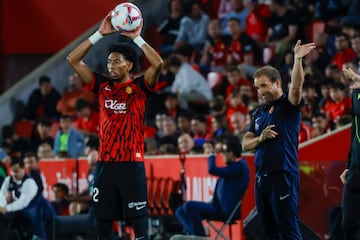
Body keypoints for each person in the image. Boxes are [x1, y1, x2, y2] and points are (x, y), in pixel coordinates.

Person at [66, 9, 163, 240]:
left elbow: (158, 63)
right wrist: (99, 34)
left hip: (131, 165)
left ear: (129, 65)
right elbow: (73, 59)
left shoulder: (141, 88)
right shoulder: (101, 86)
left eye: (117, 62)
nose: (110, 66)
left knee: (139, 224)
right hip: (105, 165)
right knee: (102, 222)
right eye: (109, 61)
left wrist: (136, 37)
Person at [242, 40, 316, 239]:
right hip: (261, 179)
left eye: (264, 86)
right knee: (268, 232)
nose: (260, 92)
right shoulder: (259, 113)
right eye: (257, 88)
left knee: (288, 230)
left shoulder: (288, 106)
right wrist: (261, 139)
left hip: (283, 176)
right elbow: (245, 143)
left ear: (277, 83)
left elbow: (297, 87)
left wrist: (298, 60)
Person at [175, 136, 250, 236]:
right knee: (180, 211)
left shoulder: (240, 166)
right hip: (217, 206)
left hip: (227, 211)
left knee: (189, 206)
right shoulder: (233, 167)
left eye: (223, 152)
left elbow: (212, 169)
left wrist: (212, 153)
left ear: (231, 153)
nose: (221, 155)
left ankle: (199, 237)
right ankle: (194, 235)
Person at [339, 66, 360, 239]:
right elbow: (354, 130)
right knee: (348, 224)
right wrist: (348, 165)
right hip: (355, 169)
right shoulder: (356, 92)